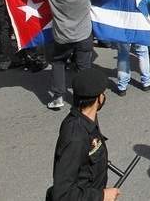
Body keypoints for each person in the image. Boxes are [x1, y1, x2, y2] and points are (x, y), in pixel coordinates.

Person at [0, 0, 139, 110]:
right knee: (83, 67)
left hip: (61, 35)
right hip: (83, 35)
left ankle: (58, 96)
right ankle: (84, 99)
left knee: (58, 63)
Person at [49, 68, 118, 201]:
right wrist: (102, 196)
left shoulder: (88, 119)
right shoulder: (75, 136)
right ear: (99, 98)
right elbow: (62, 195)